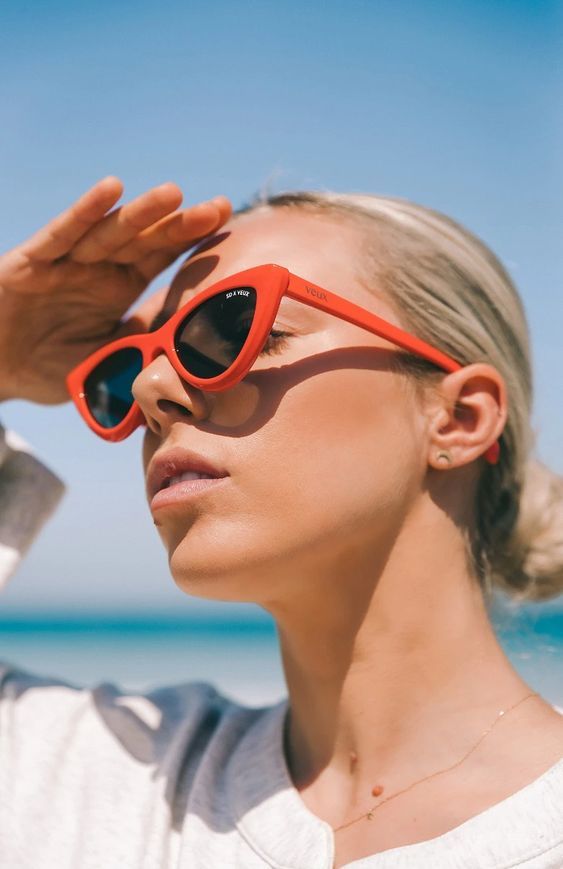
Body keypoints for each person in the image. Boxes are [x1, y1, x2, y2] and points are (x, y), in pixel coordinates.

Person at [0, 177, 562, 869]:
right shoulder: (108, 780)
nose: (151, 389)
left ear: (458, 418)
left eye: (237, 329)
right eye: (133, 365)